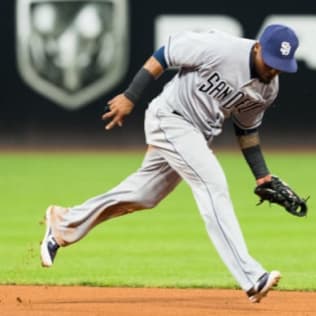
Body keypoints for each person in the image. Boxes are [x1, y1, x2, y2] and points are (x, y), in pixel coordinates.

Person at [40, 24, 299, 303]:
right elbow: (166, 54)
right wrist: (131, 95)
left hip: (196, 136)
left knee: (144, 195)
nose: (273, 70)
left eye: (280, 66)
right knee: (213, 185)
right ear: (258, 47)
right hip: (170, 118)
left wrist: (262, 176)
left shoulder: (269, 89)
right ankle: (251, 277)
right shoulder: (221, 49)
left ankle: (62, 223)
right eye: (270, 61)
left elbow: (247, 130)